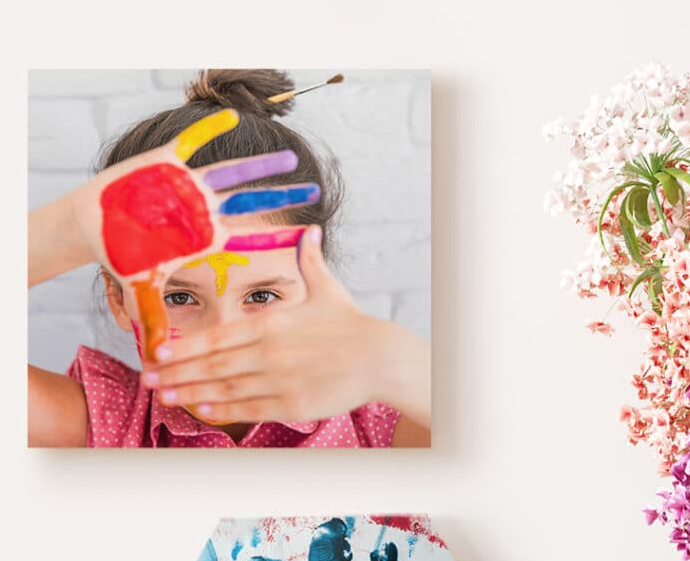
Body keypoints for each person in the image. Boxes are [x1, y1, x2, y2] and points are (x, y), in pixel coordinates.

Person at [27, 69, 431, 448]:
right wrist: (67, 231)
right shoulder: (104, 422)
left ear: (317, 293)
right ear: (119, 300)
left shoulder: (385, 426)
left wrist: (390, 361)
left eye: (262, 296)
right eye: (179, 297)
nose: (221, 335)